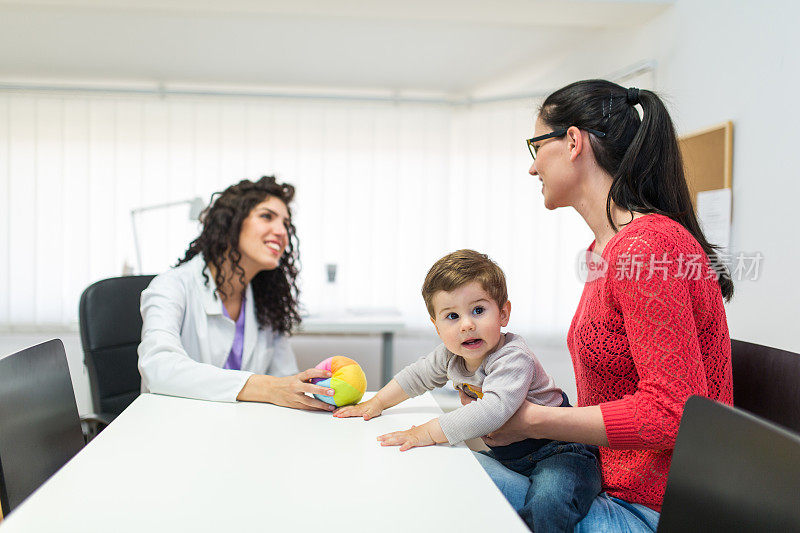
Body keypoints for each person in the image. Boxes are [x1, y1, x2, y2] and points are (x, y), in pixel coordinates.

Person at [472, 80, 734, 532]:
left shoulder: (646, 248)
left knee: (455, 480)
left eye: (536, 146)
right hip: (606, 483)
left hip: (649, 510)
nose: (532, 167)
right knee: (447, 463)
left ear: (573, 142)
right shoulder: (605, 250)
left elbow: (671, 413)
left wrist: (534, 420)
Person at [334, 249, 602, 532]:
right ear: (436, 327)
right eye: (451, 316)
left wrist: (426, 432)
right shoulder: (449, 356)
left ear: (503, 313)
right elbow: (416, 377)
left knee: (548, 502)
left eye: (478, 310)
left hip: (562, 452)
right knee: (455, 475)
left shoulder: (512, 356)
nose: (467, 325)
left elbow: (493, 410)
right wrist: (376, 403)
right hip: (511, 457)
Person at [138, 176, 337, 411]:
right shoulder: (171, 286)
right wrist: (267, 388)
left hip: (243, 430)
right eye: (266, 216)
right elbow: (158, 367)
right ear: (230, 222)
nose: (282, 231)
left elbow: (285, 377)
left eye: (285, 223)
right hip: (178, 425)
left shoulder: (265, 300)